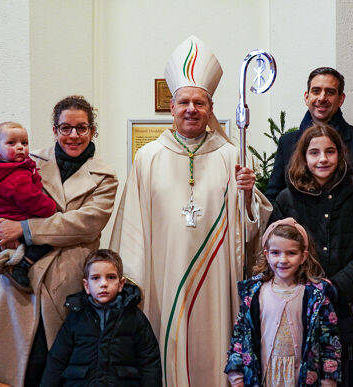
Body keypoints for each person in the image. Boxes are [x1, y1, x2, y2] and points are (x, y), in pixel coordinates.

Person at [109, 36, 271, 386]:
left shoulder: (234, 157)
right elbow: (133, 225)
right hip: (164, 278)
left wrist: (247, 196)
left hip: (218, 278)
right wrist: (132, 280)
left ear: (210, 109)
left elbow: (252, 229)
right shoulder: (148, 157)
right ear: (172, 107)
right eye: (184, 101)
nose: (191, 109)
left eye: (200, 102)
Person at [0, 96, 118, 387]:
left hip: (69, 277)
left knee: (63, 366)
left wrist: (24, 228)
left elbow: (85, 224)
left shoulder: (105, 176)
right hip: (21, 279)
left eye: (81, 128)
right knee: (27, 364)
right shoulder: (26, 160)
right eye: (65, 128)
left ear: (92, 131)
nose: (73, 135)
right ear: (54, 129)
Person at [268, 124, 353, 387]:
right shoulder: (287, 200)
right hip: (298, 307)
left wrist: (333, 287)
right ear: (303, 157)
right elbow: (277, 252)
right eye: (314, 152)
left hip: (346, 309)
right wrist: (305, 289)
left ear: (340, 155)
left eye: (330, 152)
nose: (323, 159)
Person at [264, 67, 353, 301]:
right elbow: (273, 201)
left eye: (330, 92)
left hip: (347, 269)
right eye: (316, 91)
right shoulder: (288, 143)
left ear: (340, 98)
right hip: (296, 273)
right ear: (306, 96)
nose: (322, 98)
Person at [225, 218, 341, 387]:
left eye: (291, 253)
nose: (283, 260)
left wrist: (328, 380)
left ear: (303, 256)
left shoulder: (316, 295)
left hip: (302, 379)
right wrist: (236, 376)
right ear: (266, 254)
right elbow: (240, 336)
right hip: (264, 377)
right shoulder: (253, 293)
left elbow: (330, 341)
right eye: (275, 253)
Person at [41, 249, 162, 386]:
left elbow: (149, 362)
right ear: (86, 286)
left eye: (110, 277)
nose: (103, 284)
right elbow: (57, 360)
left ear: (121, 284)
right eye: (95, 278)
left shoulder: (134, 317)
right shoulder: (76, 317)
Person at [0, 121, 57, 292]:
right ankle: (22, 265)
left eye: (24, 143)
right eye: (12, 143)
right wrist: (51, 207)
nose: (20, 147)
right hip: (16, 219)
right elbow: (33, 201)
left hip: (5, 217)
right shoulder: (15, 176)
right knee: (48, 240)